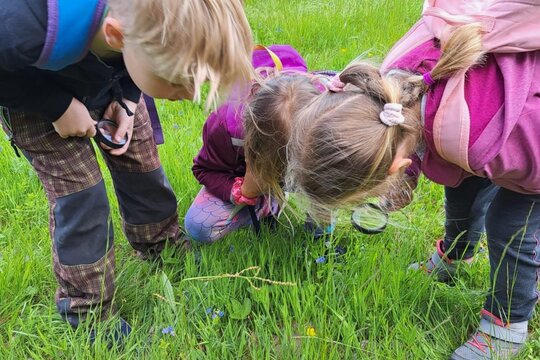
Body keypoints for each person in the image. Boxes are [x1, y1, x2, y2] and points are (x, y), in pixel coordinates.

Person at [286, 19, 540, 360]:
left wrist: (504, 175)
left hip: (531, 140)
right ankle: (456, 254)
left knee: (510, 223)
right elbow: (410, 130)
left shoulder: (479, 139)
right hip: (496, 108)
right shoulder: (390, 88)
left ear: (394, 168)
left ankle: (507, 327)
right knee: (462, 183)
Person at [0, 0, 253, 340]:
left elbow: (134, 57)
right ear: (117, 36)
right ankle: (86, 313)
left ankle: (160, 244)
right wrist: (57, 107)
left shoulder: (136, 26)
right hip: (28, 93)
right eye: (175, 81)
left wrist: (130, 100)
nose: (186, 96)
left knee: (141, 161)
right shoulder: (22, 25)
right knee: (81, 194)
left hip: (109, 75)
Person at [185, 45, 334, 243]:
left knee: (331, 176)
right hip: (251, 176)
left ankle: (319, 233)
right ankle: (267, 202)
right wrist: (238, 191)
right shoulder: (225, 127)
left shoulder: (329, 113)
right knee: (198, 227)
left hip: (309, 160)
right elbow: (205, 169)